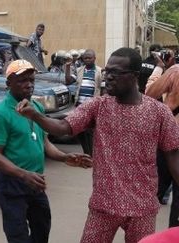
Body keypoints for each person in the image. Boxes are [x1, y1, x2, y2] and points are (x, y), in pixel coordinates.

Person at [16, 48, 179, 243]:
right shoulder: (98, 106)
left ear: (134, 76)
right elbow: (62, 127)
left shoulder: (159, 113)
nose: (108, 77)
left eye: (115, 73)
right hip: (104, 204)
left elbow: (173, 158)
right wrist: (35, 115)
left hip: (142, 207)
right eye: (107, 71)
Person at [0, 59, 92, 243]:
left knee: (42, 231)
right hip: (12, 186)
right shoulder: (0, 114)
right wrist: (23, 175)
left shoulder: (36, 108)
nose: (28, 85)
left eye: (31, 80)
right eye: (21, 81)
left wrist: (65, 157)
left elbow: (45, 143)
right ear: (8, 84)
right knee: (18, 237)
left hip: (36, 183)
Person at [145, 49, 179, 226]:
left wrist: (159, 69)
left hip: (171, 138)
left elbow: (150, 93)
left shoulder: (175, 72)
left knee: (151, 191)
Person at [65, 49, 103, 156]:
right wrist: (67, 67)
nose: (87, 60)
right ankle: (87, 153)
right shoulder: (79, 70)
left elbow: (103, 89)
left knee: (90, 131)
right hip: (80, 106)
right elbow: (68, 81)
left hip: (92, 107)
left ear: (94, 58)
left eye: (89, 58)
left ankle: (91, 155)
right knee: (80, 130)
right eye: (85, 58)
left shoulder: (99, 72)